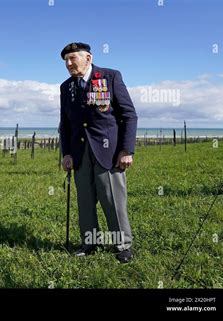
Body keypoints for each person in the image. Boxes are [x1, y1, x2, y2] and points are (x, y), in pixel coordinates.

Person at [59, 42, 137, 263]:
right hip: (79, 152)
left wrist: (126, 149)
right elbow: (64, 124)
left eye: (73, 58)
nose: (69, 63)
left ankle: (123, 246)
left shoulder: (110, 77)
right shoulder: (66, 87)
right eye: (66, 60)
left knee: (112, 199)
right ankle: (90, 243)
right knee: (85, 200)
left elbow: (129, 115)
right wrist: (66, 153)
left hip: (108, 152)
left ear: (88, 58)